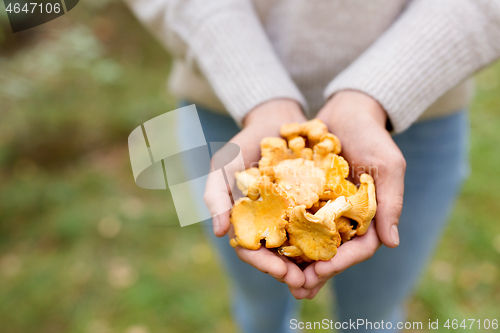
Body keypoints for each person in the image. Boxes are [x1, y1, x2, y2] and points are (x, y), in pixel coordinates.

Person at [126, 0, 500, 332]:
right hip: (221, 101)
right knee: (257, 306)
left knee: (372, 316)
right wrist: (257, 93)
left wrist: (375, 94)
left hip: (421, 105)